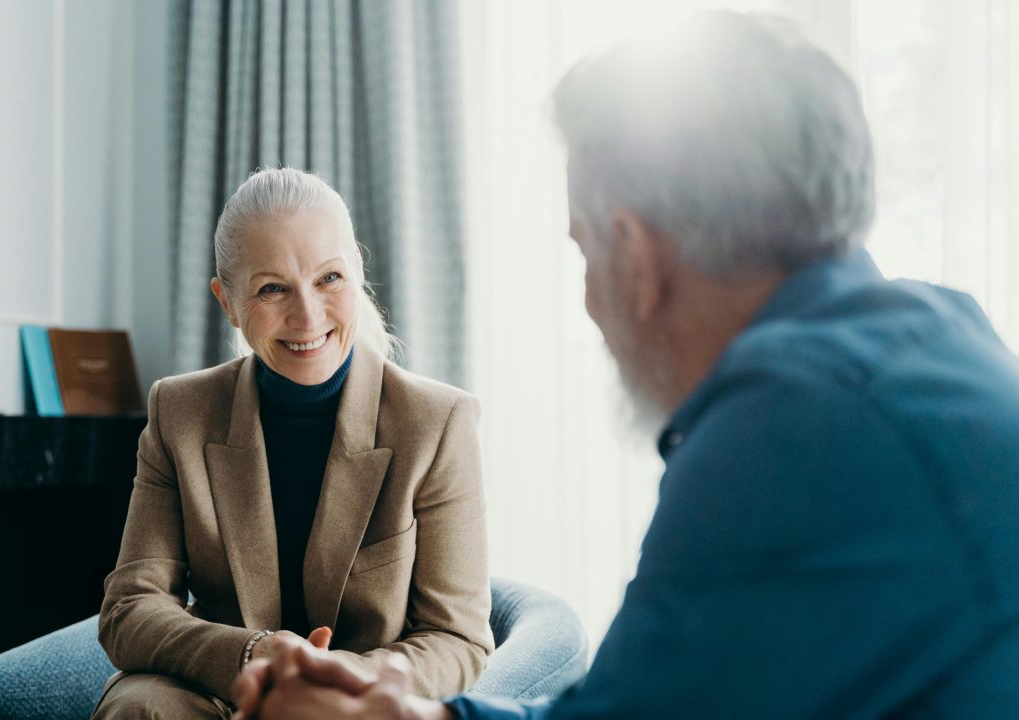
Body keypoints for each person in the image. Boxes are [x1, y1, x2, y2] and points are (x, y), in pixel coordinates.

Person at [231, 10, 1019, 720]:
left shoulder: (793, 425)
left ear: (636, 258)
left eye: (583, 251)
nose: (587, 301)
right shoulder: (935, 337)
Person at [92, 168, 494, 719]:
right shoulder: (178, 413)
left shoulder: (438, 422)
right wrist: (254, 656)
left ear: (357, 273)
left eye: (329, 278)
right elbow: (130, 608)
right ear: (228, 301)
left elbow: (458, 638)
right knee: (139, 708)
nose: (307, 316)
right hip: (223, 691)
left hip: (357, 703)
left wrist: (323, 687)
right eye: (272, 288)